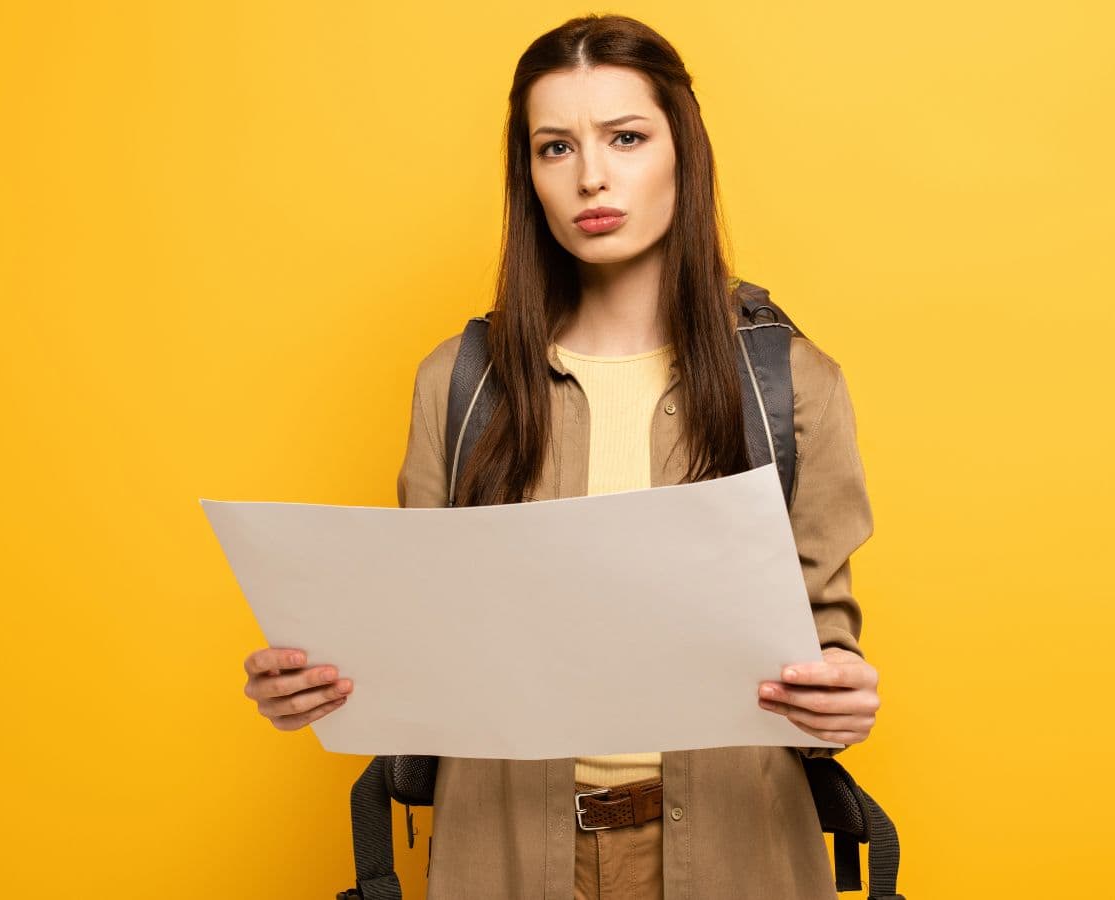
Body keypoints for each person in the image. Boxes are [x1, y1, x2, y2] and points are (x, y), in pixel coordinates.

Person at [241, 13, 880, 899]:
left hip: (738, 849)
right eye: (554, 147)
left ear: (681, 152)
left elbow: (823, 645)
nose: (591, 176)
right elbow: (418, 642)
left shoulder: (790, 380)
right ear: (528, 174)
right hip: (500, 852)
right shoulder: (460, 382)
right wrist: (317, 686)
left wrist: (840, 699)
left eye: (626, 137)